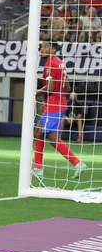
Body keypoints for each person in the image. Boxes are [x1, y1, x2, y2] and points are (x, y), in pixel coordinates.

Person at [33, 41, 86, 179]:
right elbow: (67, 88)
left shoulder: (50, 64)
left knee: (47, 137)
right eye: (42, 46)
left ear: (53, 49)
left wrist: (34, 92)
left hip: (55, 106)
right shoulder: (60, 63)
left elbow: (50, 88)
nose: (42, 49)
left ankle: (77, 164)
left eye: (45, 46)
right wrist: (49, 100)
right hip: (56, 104)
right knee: (42, 134)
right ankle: (39, 168)